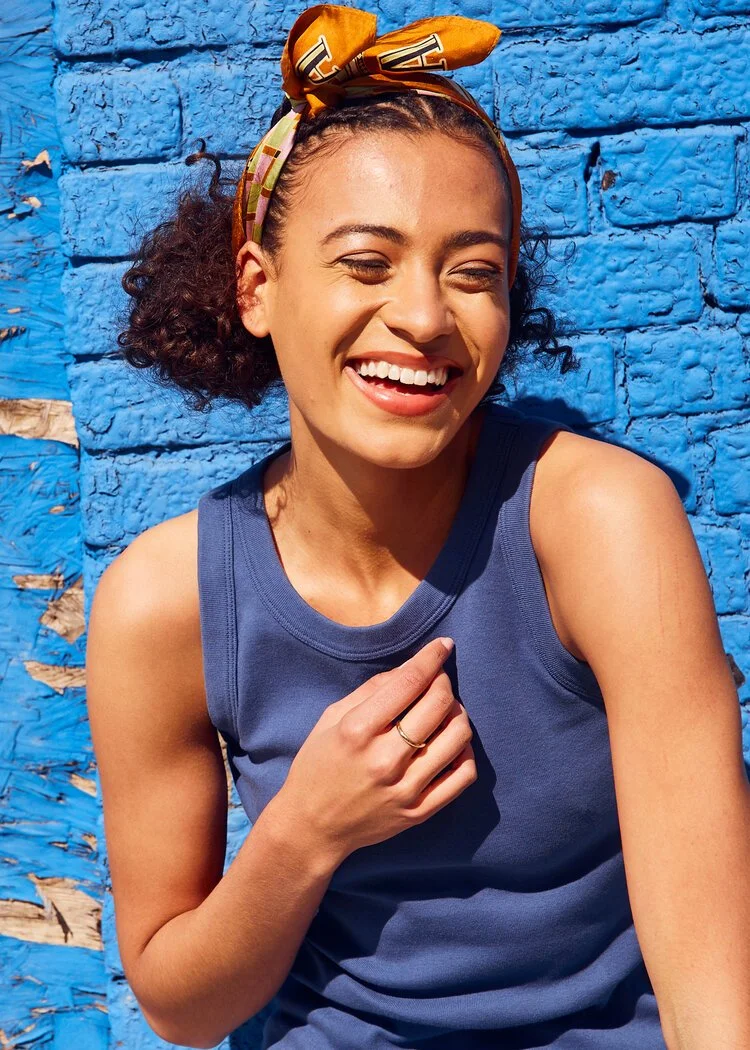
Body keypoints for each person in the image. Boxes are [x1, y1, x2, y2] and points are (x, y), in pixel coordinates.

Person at [84, 5, 750, 1049]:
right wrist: (304, 833)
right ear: (258, 289)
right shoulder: (164, 605)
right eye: (367, 262)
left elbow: (716, 994)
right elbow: (181, 1007)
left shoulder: (602, 524)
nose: (427, 316)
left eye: (473, 272)